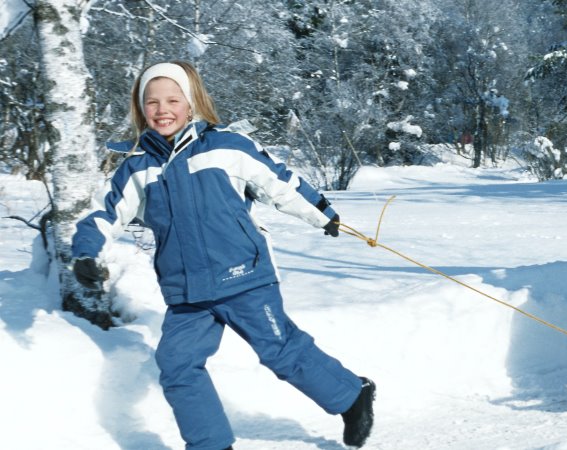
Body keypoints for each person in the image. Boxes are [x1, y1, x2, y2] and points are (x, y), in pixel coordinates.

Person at [70, 61, 375, 450]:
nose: (162, 110)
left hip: (244, 277)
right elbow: (104, 214)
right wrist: (85, 254)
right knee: (178, 366)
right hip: (186, 293)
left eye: (172, 100)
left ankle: (351, 395)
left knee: (280, 350)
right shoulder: (136, 168)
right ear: (140, 109)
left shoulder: (227, 147)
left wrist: (323, 214)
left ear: (192, 103)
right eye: (152, 102)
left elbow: (278, 182)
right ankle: (211, 444)